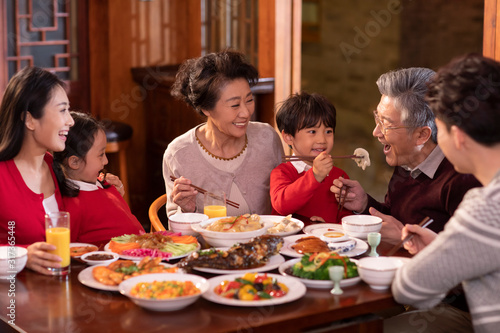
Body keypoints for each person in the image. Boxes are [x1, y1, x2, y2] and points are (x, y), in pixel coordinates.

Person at [387, 53, 500, 333]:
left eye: (440, 128)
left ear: (458, 135)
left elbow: (408, 289)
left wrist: (435, 255)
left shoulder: (485, 207)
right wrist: (442, 247)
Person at [331, 67, 481, 243]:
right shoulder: (406, 162)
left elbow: (471, 256)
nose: (376, 132)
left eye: (385, 123)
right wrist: (364, 204)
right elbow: (394, 218)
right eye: (377, 118)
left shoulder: (462, 180)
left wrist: (406, 239)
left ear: (421, 135)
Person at [163, 49, 284, 217]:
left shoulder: (267, 139)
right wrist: (186, 211)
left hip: (267, 242)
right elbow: (177, 235)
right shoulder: (179, 154)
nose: (246, 112)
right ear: (206, 108)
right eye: (234, 105)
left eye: (249, 100)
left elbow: (286, 203)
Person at [0, 66, 75, 275]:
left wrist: (107, 190)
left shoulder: (54, 166)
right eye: (62, 110)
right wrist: (23, 256)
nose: (71, 120)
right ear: (29, 119)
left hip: (59, 290)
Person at [52, 111, 144, 246]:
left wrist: (118, 194)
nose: (106, 161)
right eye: (101, 155)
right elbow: (68, 248)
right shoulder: (71, 206)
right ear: (75, 162)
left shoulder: (102, 183)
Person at [270, 92, 352, 222]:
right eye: (312, 131)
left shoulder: (340, 176)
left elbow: (346, 218)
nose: (322, 139)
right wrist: (315, 176)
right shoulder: (282, 172)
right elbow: (282, 205)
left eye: (328, 131)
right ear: (289, 137)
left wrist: (329, 228)